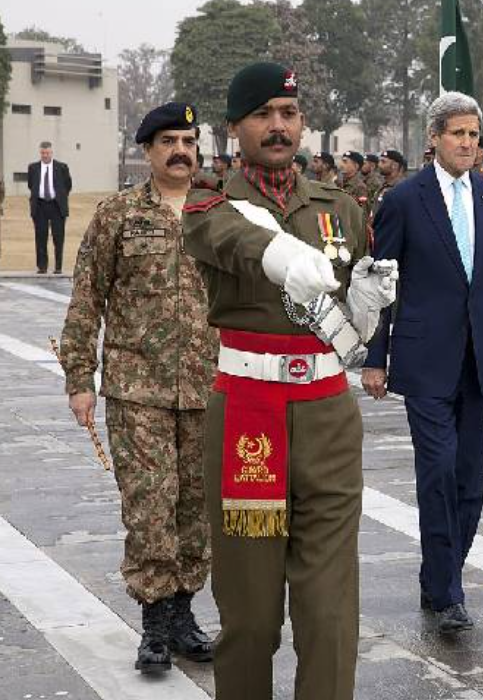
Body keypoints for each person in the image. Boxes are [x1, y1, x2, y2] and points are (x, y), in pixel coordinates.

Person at [182, 62, 397, 700]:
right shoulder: (209, 202)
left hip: (328, 415)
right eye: (262, 115)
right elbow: (229, 238)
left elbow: (347, 320)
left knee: (330, 614)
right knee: (250, 619)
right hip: (248, 414)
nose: (278, 126)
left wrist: (365, 310)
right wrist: (281, 254)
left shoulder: (341, 207)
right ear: (235, 127)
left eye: (289, 113)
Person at [361, 91, 483, 634]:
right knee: (437, 472)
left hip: (477, 360)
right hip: (423, 359)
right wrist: (375, 357)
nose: (467, 143)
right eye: (458, 133)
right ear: (433, 138)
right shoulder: (404, 199)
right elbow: (382, 285)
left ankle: (440, 576)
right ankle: (449, 594)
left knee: (470, 483)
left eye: (474, 135)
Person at [59, 102, 216, 674]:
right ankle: (154, 622)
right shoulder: (118, 215)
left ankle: (183, 615)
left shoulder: (218, 212)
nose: (181, 151)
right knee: (149, 506)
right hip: (137, 390)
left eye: (188, 141)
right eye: (169, 141)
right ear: (147, 150)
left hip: (208, 387)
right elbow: (87, 299)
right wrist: (80, 379)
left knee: (196, 507)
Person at [28, 140, 72, 274]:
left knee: (58, 237)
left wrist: (59, 196)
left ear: (51, 153)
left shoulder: (62, 167)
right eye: (43, 153)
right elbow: (31, 185)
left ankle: (58, 267)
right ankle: (42, 266)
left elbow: (68, 185)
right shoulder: (33, 168)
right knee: (41, 237)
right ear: (40, 153)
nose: (45, 155)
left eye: (47, 153)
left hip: (56, 206)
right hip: (40, 206)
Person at [372, 149, 407, 219]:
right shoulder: (383, 187)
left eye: (383, 162)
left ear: (394, 165)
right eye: (379, 161)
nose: (379, 165)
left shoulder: (403, 188)